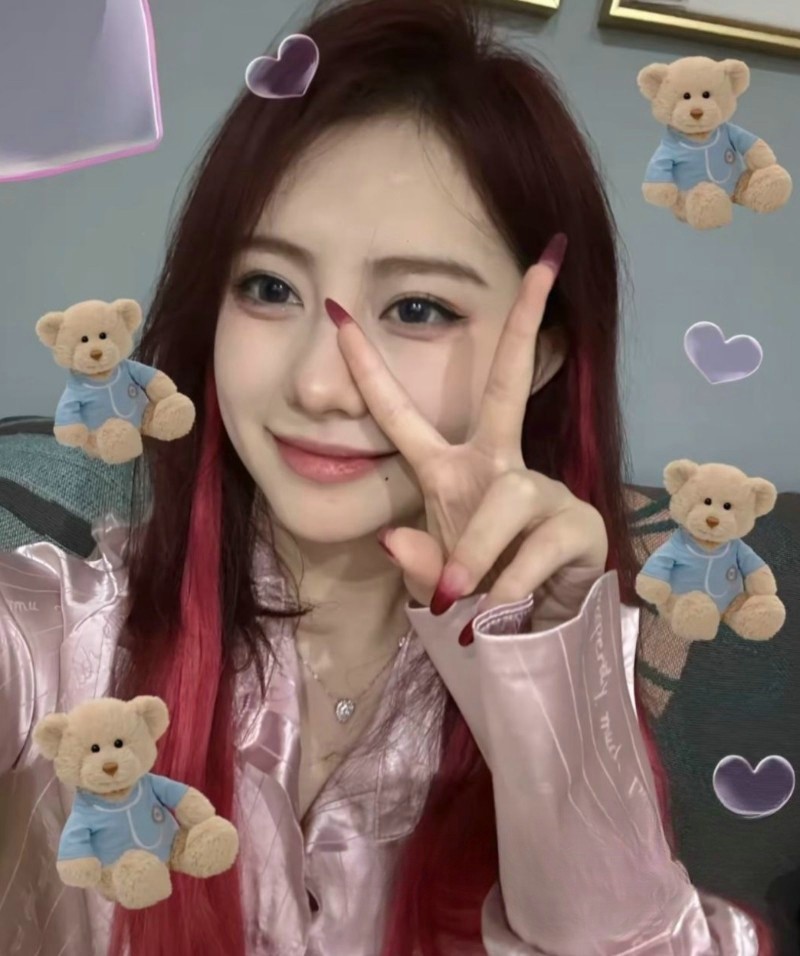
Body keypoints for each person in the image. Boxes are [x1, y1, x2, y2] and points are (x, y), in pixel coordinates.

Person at [0, 0, 774, 954]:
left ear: (540, 355)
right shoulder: (60, 635)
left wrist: (548, 680)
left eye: (416, 308)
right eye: (269, 288)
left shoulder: (575, 660)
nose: (320, 384)